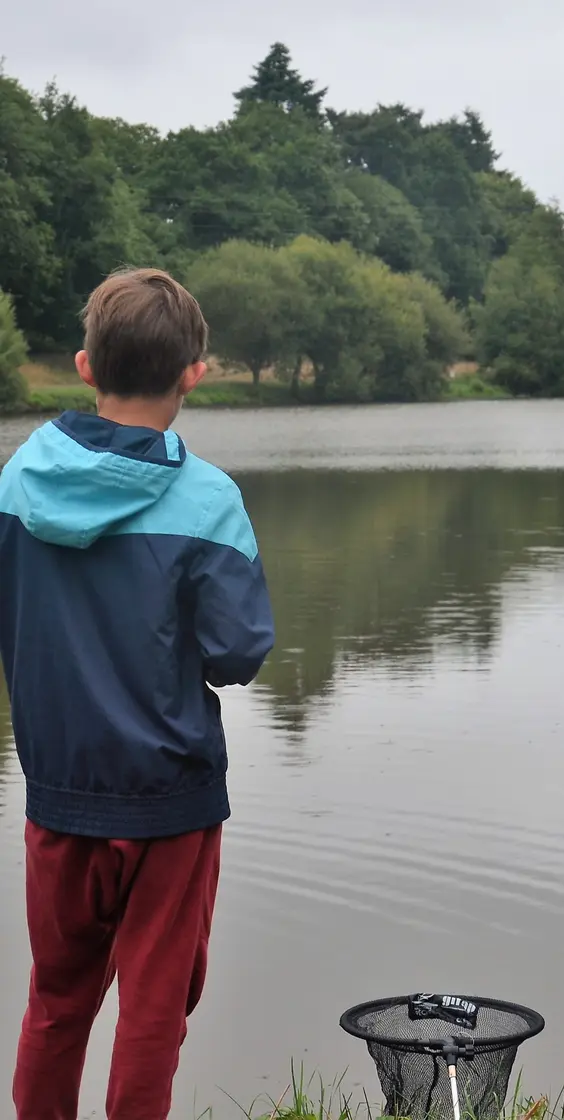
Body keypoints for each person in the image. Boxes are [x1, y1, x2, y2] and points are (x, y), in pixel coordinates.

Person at [0, 268, 275, 1119]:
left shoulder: (12, 486)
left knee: (56, 1003)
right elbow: (237, 654)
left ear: (85, 365)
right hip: (170, 804)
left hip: (58, 796)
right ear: (195, 372)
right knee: (152, 1016)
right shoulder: (209, 498)